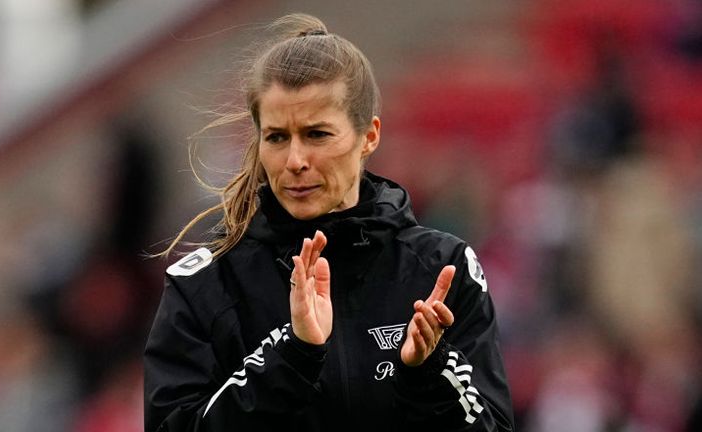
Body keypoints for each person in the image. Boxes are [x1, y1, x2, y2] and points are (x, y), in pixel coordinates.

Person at [144, 13, 514, 432]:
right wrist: (292, 356)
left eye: (317, 135)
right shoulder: (204, 287)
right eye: (277, 137)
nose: (295, 161)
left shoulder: (440, 269)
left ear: (369, 136)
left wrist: (428, 375)